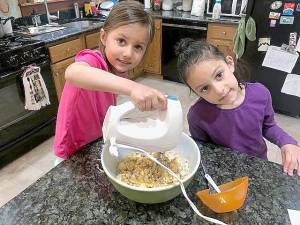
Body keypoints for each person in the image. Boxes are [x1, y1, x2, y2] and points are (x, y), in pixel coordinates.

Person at [54, 1, 167, 159]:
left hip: (94, 141)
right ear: (104, 37)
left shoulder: (119, 68)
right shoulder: (93, 60)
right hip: (71, 148)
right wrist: (133, 88)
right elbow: (73, 73)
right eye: (121, 41)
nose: (128, 53)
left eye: (138, 47)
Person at [175, 38, 300, 176]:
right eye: (205, 88)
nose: (218, 90)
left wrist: (286, 141)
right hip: (224, 171)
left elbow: (268, 126)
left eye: (219, 75)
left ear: (230, 64)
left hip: (258, 165)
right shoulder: (197, 115)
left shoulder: (260, 94)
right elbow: (203, 150)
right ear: (196, 92)